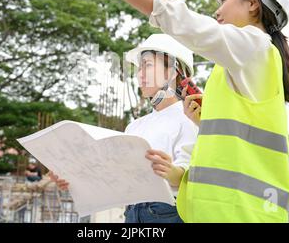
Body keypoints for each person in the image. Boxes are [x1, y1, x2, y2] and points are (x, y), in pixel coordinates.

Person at [50, 0, 289, 223]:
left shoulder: (256, 48)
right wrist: (192, 146)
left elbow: (176, 17)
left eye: (225, 0)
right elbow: (217, 166)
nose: (217, 11)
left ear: (253, 3)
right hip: (219, 213)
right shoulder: (232, 75)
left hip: (243, 214)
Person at [50, 34, 198, 223]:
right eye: (139, 68)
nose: (140, 74)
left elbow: (190, 179)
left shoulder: (190, 118)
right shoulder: (135, 126)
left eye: (148, 65)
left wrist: (170, 171)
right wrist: (73, 180)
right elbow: (116, 180)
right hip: (131, 213)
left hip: (167, 213)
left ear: (173, 72)